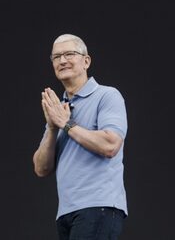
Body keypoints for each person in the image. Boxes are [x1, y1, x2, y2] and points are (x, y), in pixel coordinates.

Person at [33, 34, 128, 240]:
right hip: (66, 212)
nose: (62, 60)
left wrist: (66, 124)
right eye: (56, 57)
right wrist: (52, 127)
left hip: (98, 206)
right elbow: (41, 168)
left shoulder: (107, 96)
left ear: (86, 61)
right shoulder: (59, 110)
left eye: (69, 54)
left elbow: (111, 144)